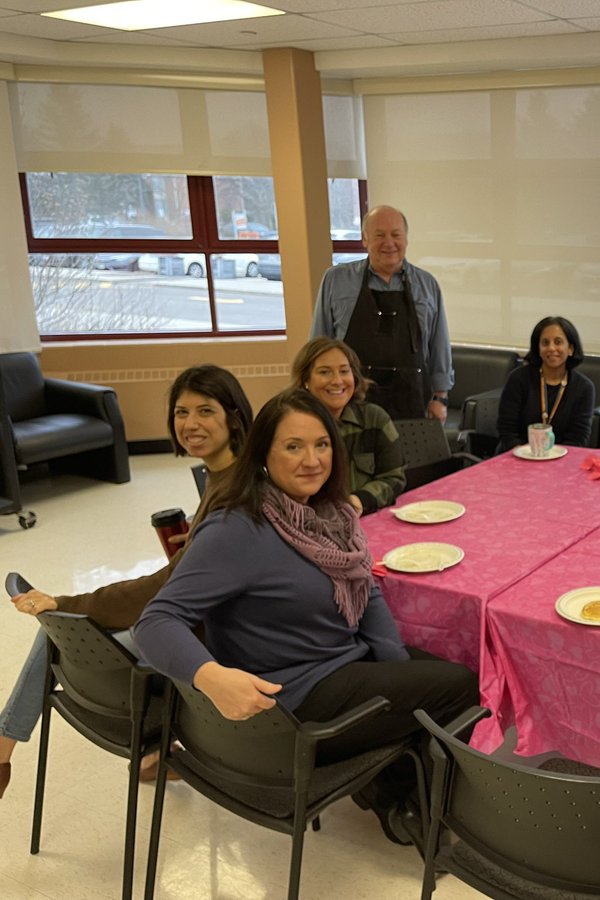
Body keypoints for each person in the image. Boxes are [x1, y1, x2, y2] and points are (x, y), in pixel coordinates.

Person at [133, 389, 478, 846]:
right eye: (293, 446)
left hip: (340, 661)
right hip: (294, 699)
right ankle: (403, 803)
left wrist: (396, 666)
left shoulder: (331, 515)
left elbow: (365, 587)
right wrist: (210, 676)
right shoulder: (238, 528)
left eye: (322, 444)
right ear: (263, 453)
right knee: (460, 686)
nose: (312, 460)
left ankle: (385, 786)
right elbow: (154, 621)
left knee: (435, 676)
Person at [1, 365, 253, 797]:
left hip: (213, 636)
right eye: (182, 412)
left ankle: (7, 749)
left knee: (65, 626)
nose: (190, 423)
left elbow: (161, 588)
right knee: (61, 626)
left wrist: (66, 602)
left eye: (205, 411)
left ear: (233, 417)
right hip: (196, 617)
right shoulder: (226, 478)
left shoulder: (238, 491)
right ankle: (150, 750)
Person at [311, 205, 453, 422]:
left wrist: (440, 398)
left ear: (406, 239)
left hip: (413, 404)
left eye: (396, 235)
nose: (389, 243)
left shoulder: (427, 285)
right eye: (379, 235)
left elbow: (438, 345)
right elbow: (318, 345)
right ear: (364, 239)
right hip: (349, 404)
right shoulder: (336, 280)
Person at [291, 336, 406, 515]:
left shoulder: (374, 418)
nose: (337, 381)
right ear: (305, 380)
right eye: (325, 372)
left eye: (344, 371)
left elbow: (394, 477)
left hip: (364, 518)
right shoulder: (290, 426)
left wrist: (359, 501)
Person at [497, 316, 595, 452]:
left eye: (558, 342)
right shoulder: (518, 379)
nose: (551, 348)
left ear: (571, 349)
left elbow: (578, 437)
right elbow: (507, 429)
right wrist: (525, 454)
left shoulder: (584, 388)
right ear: (538, 348)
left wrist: (555, 458)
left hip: (563, 458)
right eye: (545, 343)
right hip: (516, 455)